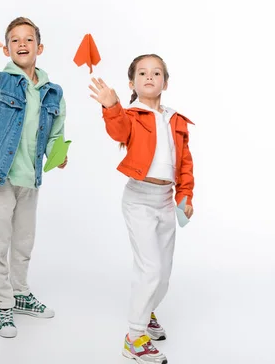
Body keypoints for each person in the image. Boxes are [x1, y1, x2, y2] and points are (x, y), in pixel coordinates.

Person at [89, 54, 194, 363]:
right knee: (150, 268)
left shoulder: (175, 119)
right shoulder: (131, 115)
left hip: (165, 200)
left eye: (157, 72)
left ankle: (147, 313)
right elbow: (119, 131)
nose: (150, 77)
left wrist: (185, 196)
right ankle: (135, 338)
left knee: (163, 273)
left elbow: (184, 163)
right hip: (139, 199)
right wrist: (111, 106)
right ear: (132, 83)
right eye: (143, 73)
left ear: (166, 82)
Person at [0, 17, 68, 338]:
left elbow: (56, 132)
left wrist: (59, 153)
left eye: (28, 39)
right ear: (7, 48)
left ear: (39, 48)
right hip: (0, 176)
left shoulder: (53, 91)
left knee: (23, 242)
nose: (22, 44)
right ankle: (3, 303)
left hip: (31, 178)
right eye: (14, 40)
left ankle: (20, 292)